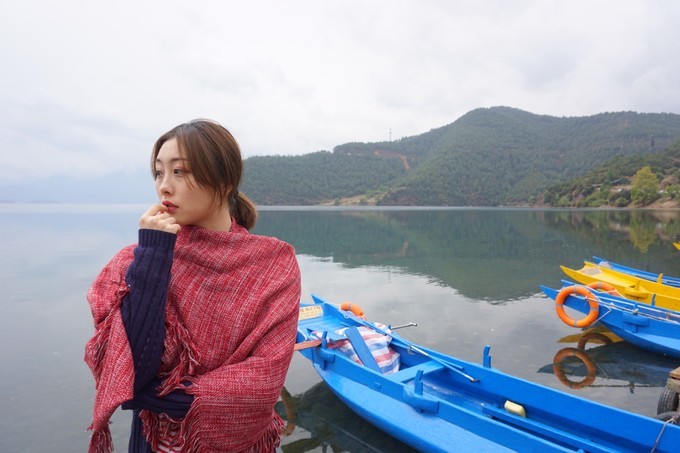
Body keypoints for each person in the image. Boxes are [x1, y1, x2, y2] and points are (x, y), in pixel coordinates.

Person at [84, 119, 301, 452]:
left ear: (224, 181)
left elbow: (263, 382)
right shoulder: (138, 260)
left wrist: (150, 397)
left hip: (238, 443)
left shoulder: (271, 265)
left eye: (179, 171)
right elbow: (133, 369)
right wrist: (154, 253)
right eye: (159, 173)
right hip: (153, 441)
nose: (164, 187)